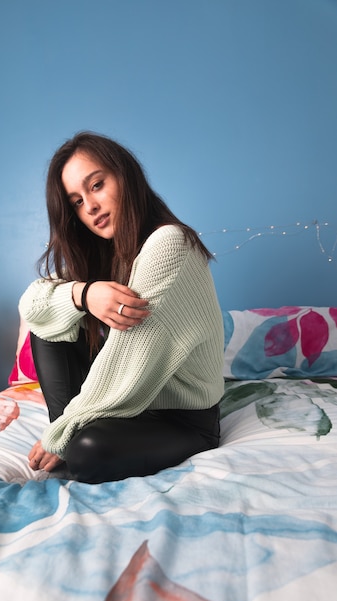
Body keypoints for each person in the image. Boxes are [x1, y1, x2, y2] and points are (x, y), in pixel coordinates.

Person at [19, 131, 225, 484]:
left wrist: (63, 434)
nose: (90, 207)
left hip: (183, 419)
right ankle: (66, 432)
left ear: (125, 176)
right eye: (77, 202)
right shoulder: (103, 256)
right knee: (51, 319)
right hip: (130, 406)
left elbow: (129, 357)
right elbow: (33, 306)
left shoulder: (169, 243)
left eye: (96, 185)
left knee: (86, 452)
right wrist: (83, 294)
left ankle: (66, 436)